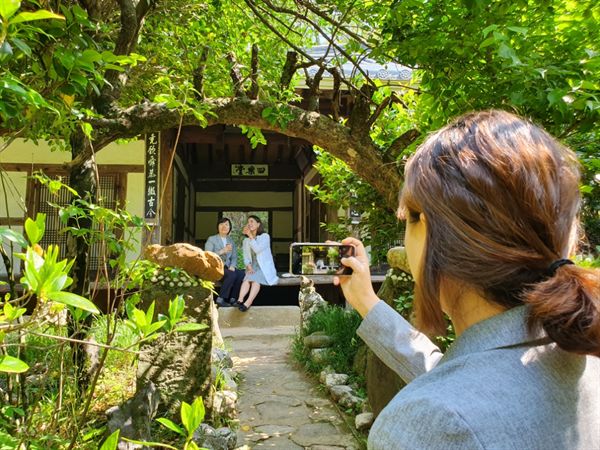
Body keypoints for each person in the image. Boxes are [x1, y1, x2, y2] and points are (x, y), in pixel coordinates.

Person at [334, 110, 600, 450]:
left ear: (427, 228)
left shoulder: (430, 423)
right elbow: (468, 375)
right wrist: (367, 303)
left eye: (408, 217)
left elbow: (456, 400)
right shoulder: (579, 350)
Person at [237, 215, 278, 311]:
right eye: (248, 222)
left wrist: (250, 236)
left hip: (264, 267)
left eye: (251, 221)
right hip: (252, 266)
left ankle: (248, 302)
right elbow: (246, 256)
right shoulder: (246, 240)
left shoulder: (265, 237)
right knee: (246, 279)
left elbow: (257, 249)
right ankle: (240, 300)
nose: (249, 224)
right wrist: (248, 266)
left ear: (258, 224)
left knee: (255, 280)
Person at [205, 217, 245, 308]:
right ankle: (221, 299)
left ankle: (233, 299)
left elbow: (234, 257)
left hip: (226, 267)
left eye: (226, 224)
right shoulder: (212, 239)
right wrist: (222, 251)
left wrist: (232, 266)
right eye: (221, 224)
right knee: (232, 275)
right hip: (215, 267)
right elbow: (207, 255)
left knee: (241, 274)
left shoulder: (231, 241)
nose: (224, 226)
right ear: (217, 227)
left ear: (229, 228)